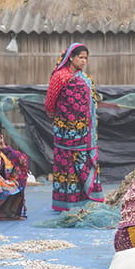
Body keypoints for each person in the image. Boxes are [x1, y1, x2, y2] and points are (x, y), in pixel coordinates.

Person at [45, 42, 104, 211]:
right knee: (66, 165)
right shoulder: (60, 77)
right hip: (65, 132)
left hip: (84, 133)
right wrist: (60, 118)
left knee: (83, 162)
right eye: (81, 57)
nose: (84, 61)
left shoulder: (84, 78)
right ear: (71, 58)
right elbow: (50, 102)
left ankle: (87, 200)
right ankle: (66, 205)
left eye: (86, 58)